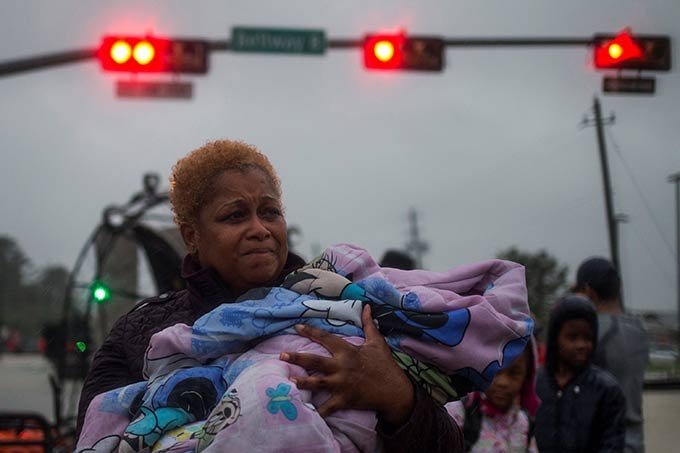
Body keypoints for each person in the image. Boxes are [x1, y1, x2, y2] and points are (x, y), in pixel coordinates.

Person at [76, 139, 464, 452]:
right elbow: (101, 432)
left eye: (270, 212)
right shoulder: (139, 334)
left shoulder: (350, 313)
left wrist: (398, 398)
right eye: (235, 216)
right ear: (192, 236)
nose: (260, 229)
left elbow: (449, 445)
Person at [574, 257, 650, 453]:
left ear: (588, 292)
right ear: (620, 287)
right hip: (635, 442)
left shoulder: (589, 332)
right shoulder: (641, 330)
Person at [534, 295, 626, 452]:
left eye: (587, 337)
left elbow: (612, 445)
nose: (581, 345)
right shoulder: (534, 383)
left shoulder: (607, 390)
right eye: (572, 337)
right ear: (556, 337)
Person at [446, 340, 540, 452]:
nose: (503, 382)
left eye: (514, 373)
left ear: (527, 377)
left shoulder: (524, 423)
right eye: (495, 370)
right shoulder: (457, 414)